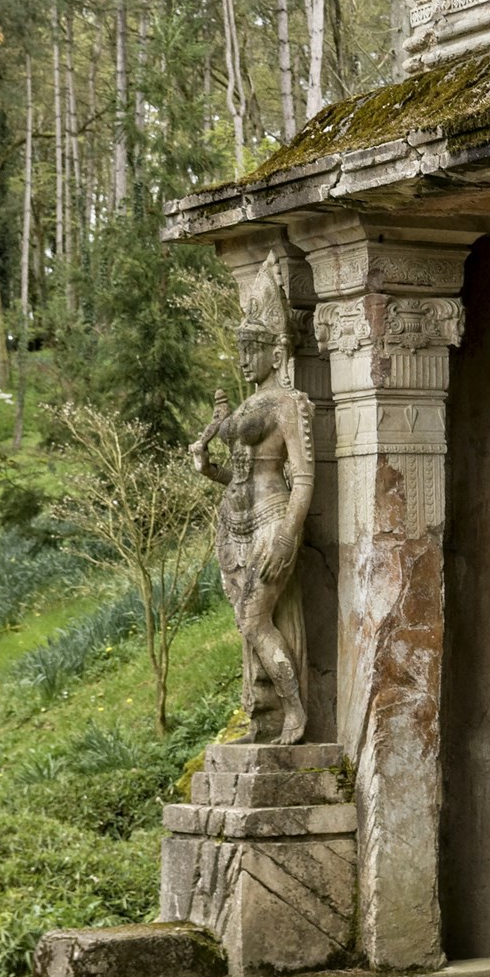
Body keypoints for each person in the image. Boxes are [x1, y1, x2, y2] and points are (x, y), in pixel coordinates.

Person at [193, 259, 315, 743]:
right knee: (245, 628)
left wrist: (288, 532)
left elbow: (304, 477)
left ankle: (294, 711)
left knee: (254, 618)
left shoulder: (289, 403)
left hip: (270, 516)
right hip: (232, 523)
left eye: (252, 349)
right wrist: (208, 468)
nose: (244, 360)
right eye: (240, 350)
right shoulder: (243, 406)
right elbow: (234, 474)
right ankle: (257, 717)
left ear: (275, 352)